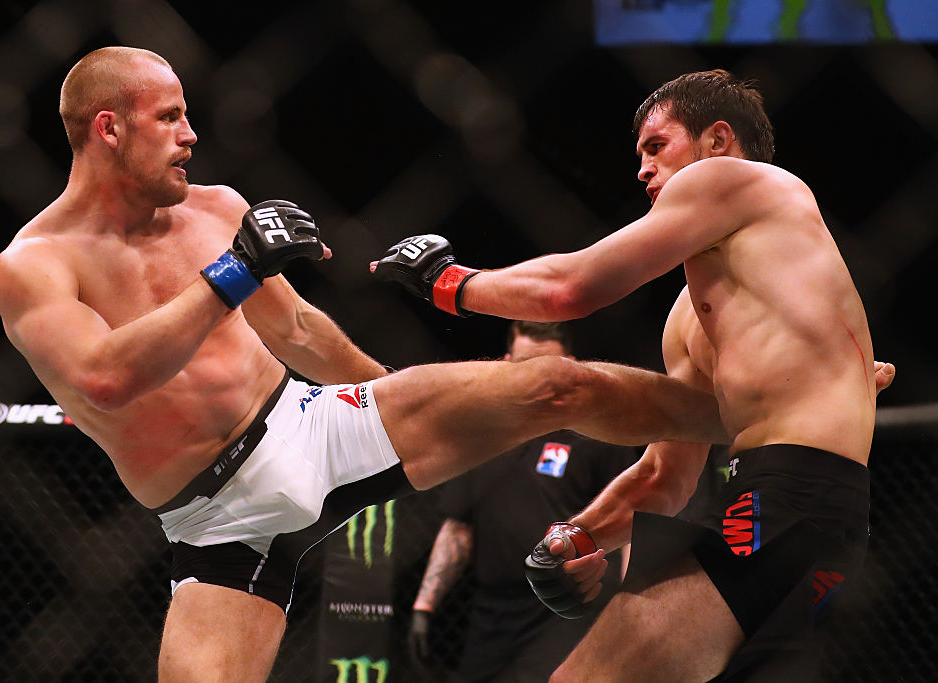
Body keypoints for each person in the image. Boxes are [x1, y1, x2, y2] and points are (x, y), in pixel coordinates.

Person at [0, 48, 737, 682]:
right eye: (170, 117)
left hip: (307, 425)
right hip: (214, 518)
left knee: (556, 384)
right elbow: (104, 377)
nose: (190, 135)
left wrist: (392, 398)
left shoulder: (215, 207)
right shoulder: (32, 265)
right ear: (108, 128)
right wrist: (232, 273)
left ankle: (748, 413)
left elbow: (304, 330)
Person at [371, 69, 896, 680]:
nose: (642, 170)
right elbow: (664, 476)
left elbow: (570, 288)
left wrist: (450, 283)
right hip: (793, 502)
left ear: (717, 139)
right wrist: (576, 538)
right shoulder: (696, 319)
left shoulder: (739, 180)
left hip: (791, 493)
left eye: (657, 145)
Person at [409, 321, 639, 682]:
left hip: (565, 610)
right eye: (525, 366)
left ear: (570, 365)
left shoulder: (598, 435)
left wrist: (628, 607)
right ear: (506, 364)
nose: (536, 379)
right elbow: (459, 528)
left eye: (546, 367)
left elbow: (628, 520)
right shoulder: (483, 436)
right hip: (491, 613)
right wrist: (425, 605)